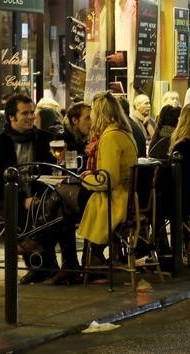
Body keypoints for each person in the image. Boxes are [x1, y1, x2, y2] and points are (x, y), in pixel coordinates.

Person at [0, 94, 71, 284]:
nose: (30, 117)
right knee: (42, 211)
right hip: (12, 200)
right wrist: (22, 199)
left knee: (62, 209)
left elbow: (54, 171)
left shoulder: (45, 139)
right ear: (11, 117)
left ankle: (62, 267)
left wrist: (62, 160)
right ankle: (45, 266)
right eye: (25, 113)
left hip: (43, 196)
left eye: (32, 113)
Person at [78, 92, 139, 265]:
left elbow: (108, 180)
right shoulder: (125, 133)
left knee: (65, 206)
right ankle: (92, 256)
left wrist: (86, 178)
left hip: (117, 200)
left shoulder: (110, 137)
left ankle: (87, 258)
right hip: (130, 197)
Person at [61, 102, 92, 168]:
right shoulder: (62, 139)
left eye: (92, 118)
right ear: (75, 120)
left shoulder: (88, 139)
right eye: (87, 118)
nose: (92, 122)